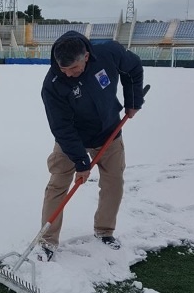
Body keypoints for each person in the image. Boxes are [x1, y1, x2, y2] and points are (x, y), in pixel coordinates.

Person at [39, 30, 144, 261]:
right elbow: (61, 128)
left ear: (86, 57)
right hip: (72, 139)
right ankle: (47, 241)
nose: (67, 74)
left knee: (113, 182)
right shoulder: (53, 84)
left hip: (109, 132)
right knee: (58, 184)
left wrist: (133, 100)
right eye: (63, 69)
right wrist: (80, 161)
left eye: (73, 69)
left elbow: (133, 68)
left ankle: (105, 231)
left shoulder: (108, 53)